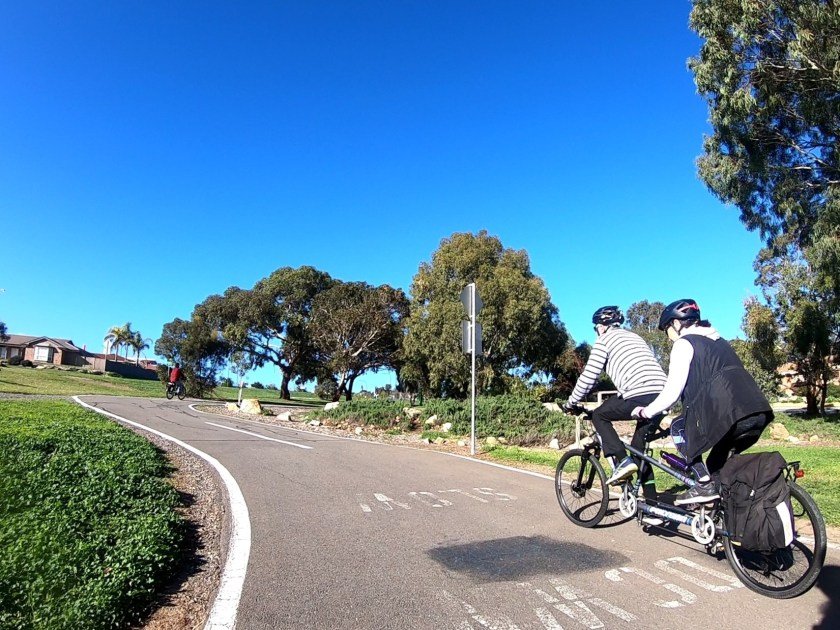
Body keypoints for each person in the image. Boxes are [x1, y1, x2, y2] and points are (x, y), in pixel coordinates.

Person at [632, 299, 773, 505]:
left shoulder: (684, 343)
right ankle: (723, 517)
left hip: (731, 415)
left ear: (677, 323)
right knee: (716, 464)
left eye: (666, 329)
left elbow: (672, 392)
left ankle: (703, 483)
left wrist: (646, 411)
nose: (667, 335)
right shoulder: (721, 341)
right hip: (757, 412)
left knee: (679, 428)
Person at [563, 305, 667, 486]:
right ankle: (651, 505)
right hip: (664, 395)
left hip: (639, 393)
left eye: (595, 328)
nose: (597, 332)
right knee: (638, 452)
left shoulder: (604, 340)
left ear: (601, 326)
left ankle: (622, 461)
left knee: (599, 415)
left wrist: (571, 402)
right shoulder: (635, 337)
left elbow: (589, 377)